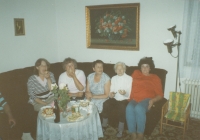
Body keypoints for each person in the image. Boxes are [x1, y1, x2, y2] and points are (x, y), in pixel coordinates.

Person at [126, 57, 164, 140]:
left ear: (150, 68)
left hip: (147, 99)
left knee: (139, 108)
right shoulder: (136, 73)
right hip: (135, 98)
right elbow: (127, 83)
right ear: (140, 67)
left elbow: (160, 94)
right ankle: (132, 133)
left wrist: (153, 100)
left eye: (147, 66)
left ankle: (140, 134)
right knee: (129, 108)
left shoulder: (155, 78)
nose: (145, 68)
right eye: (143, 66)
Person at [22, 58, 56, 140]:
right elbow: (32, 96)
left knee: (60, 104)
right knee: (47, 111)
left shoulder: (50, 74)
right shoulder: (31, 79)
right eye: (42, 65)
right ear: (37, 67)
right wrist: (46, 104)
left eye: (46, 65)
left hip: (50, 98)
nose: (44, 67)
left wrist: (48, 79)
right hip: (38, 101)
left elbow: (53, 90)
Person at [101, 62, 132, 138]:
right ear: (115, 70)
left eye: (121, 69)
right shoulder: (114, 78)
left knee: (122, 107)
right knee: (106, 104)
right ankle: (104, 125)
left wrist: (124, 93)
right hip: (115, 98)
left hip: (125, 99)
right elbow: (111, 90)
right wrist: (111, 94)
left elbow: (129, 93)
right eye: (118, 69)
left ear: (124, 69)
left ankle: (120, 129)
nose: (119, 70)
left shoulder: (129, 78)